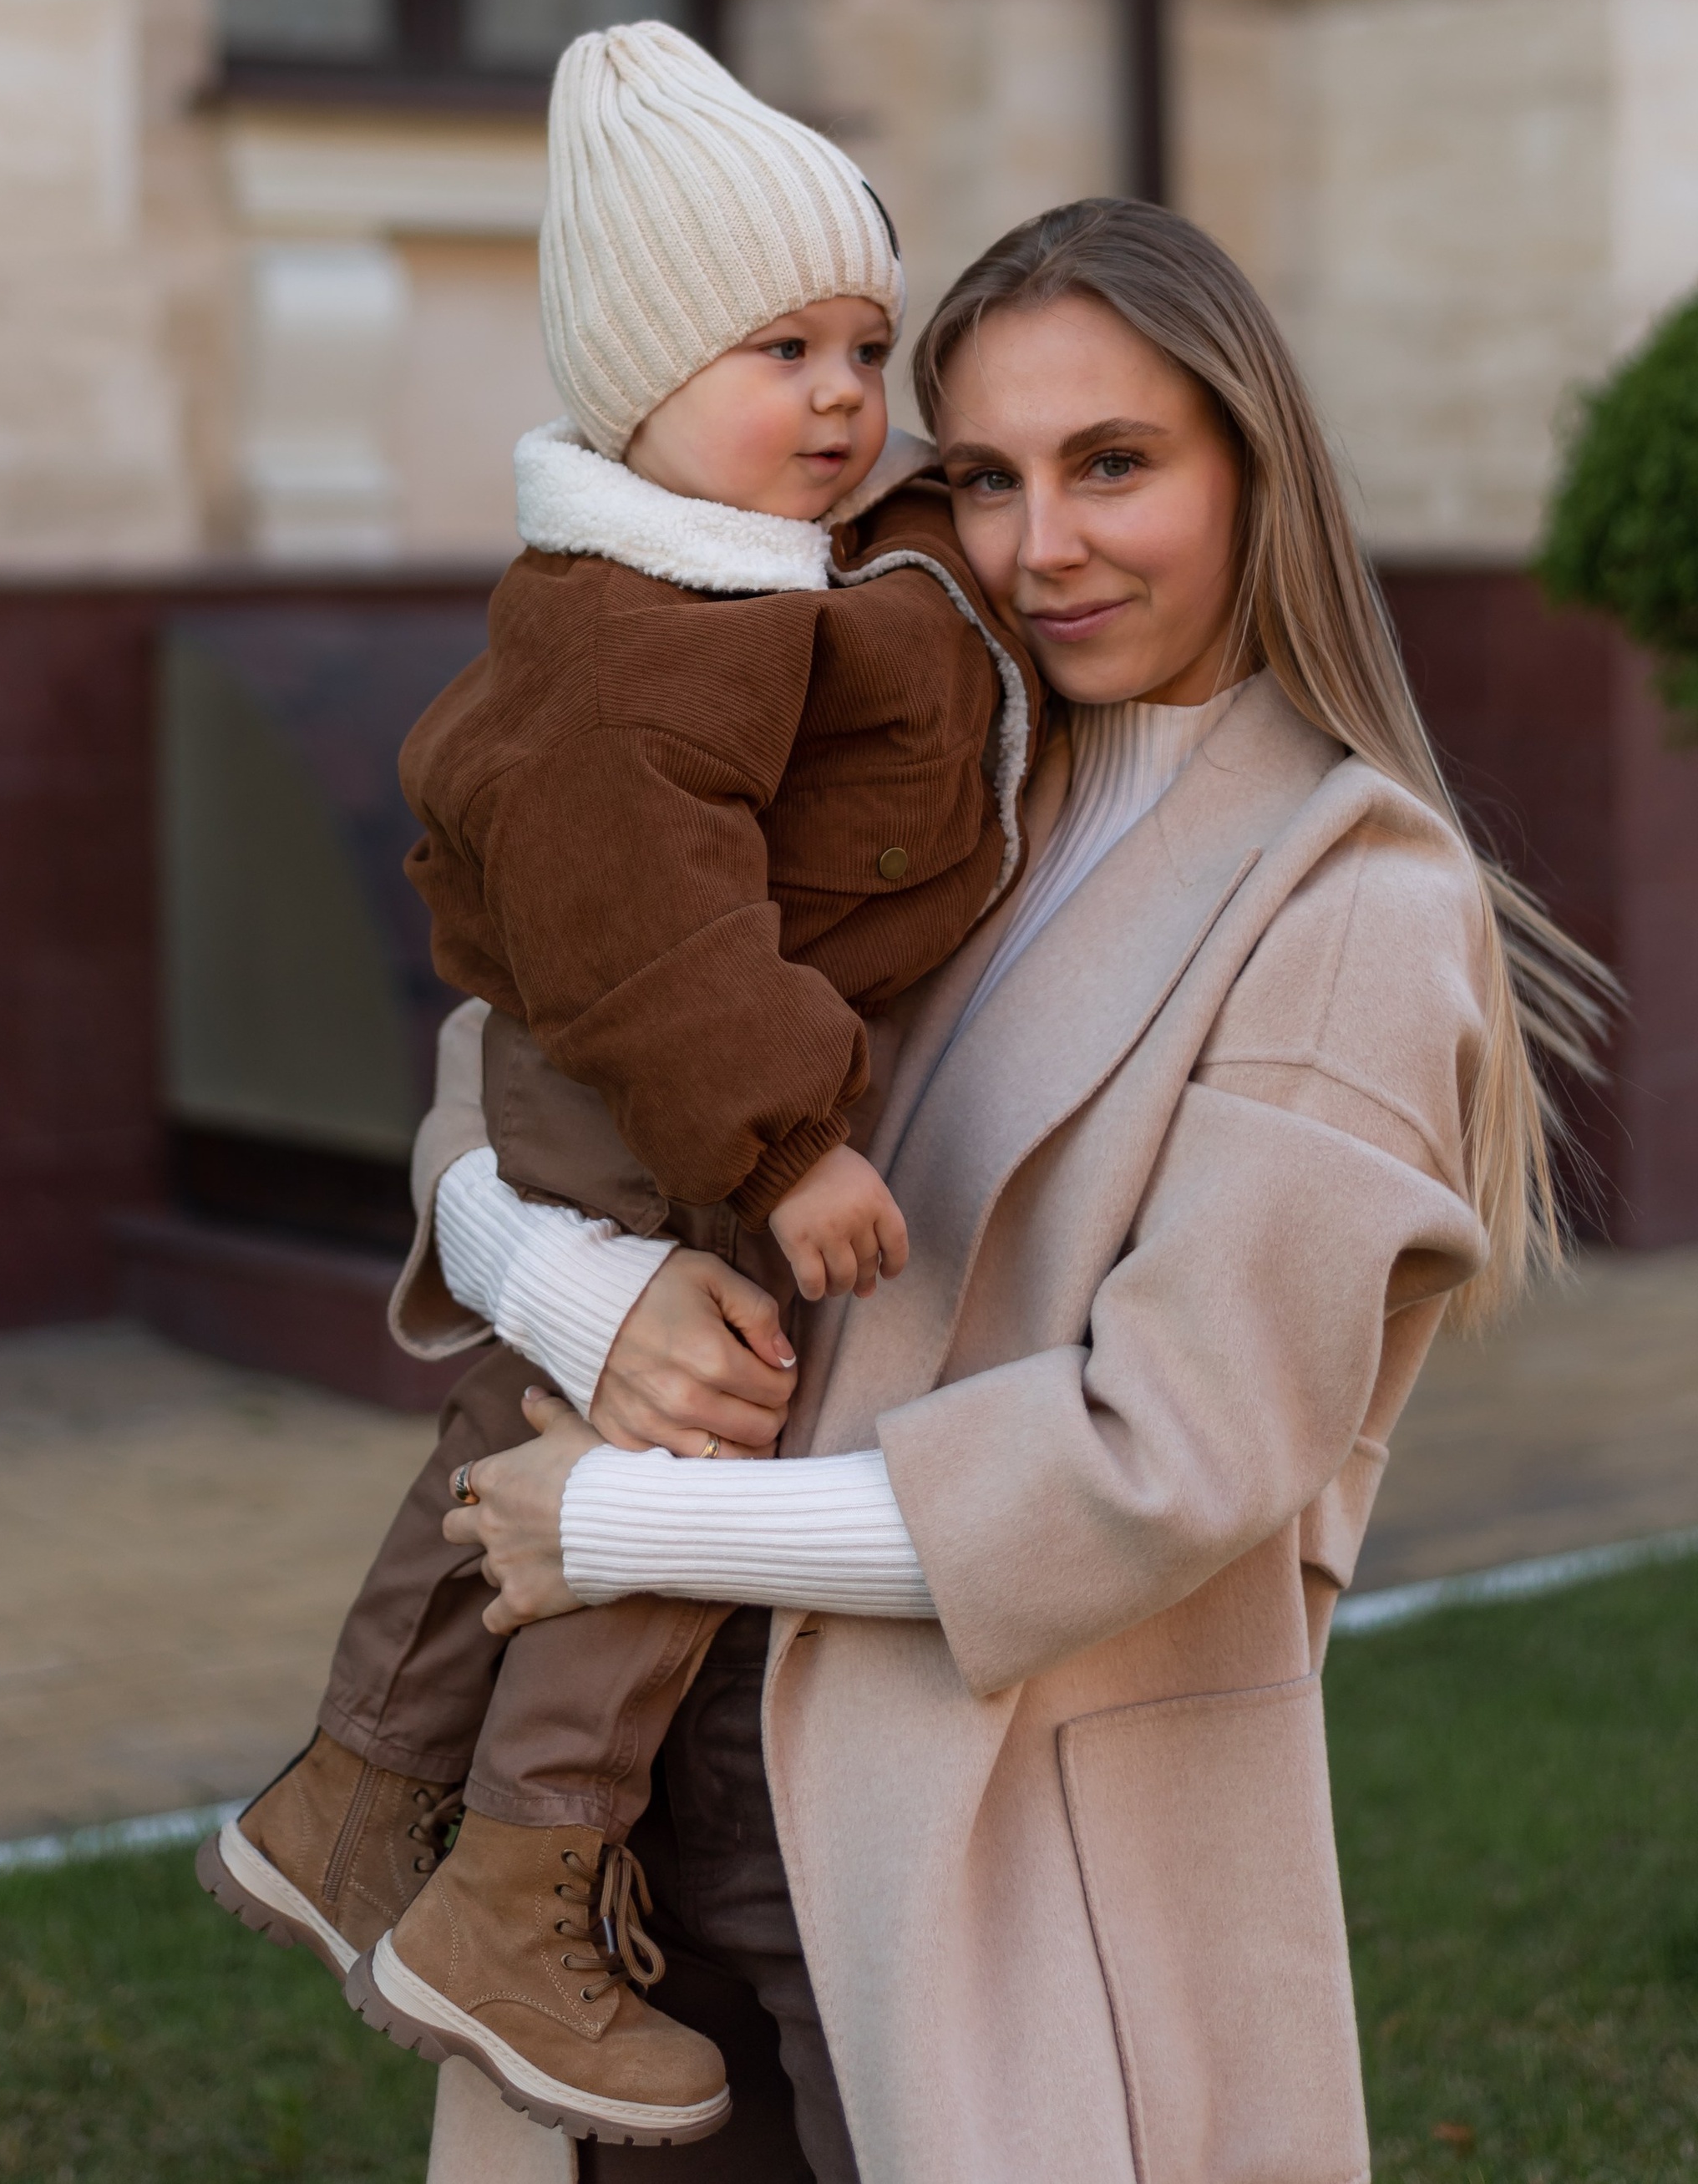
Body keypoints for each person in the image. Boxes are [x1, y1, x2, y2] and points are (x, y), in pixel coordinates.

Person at [416, 195, 1609, 2184]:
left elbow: (1153, 1463)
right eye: (980, 476)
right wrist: (563, 1294)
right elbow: (521, 1046)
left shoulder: (1348, 901)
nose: (1036, 547)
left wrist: (621, 1518)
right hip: (644, 1809)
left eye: (1112, 465)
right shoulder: (925, 775)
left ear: (1255, 473)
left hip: (992, 1864)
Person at [199, 23, 1038, 2148]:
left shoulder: (709, 583)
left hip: (608, 1093)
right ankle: (516, 1881)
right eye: (783, 351)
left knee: (540, 1410)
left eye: (868, 347)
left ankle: (357, 1793)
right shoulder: (654, 634)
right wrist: (788, 1143)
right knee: (669, 1442)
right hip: (672, 1103)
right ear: (637, 382)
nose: (845, 400)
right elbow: (666, 938)